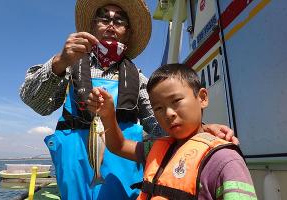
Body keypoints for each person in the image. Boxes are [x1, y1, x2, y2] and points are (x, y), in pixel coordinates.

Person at [20, 0, 237, 199]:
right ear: (93, 27)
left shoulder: (140, 79)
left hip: (123, 168)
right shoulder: (68, 66)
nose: (111, 24)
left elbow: (160, 126)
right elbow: (33, 100)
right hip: (73, 168)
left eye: (119, 20)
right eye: (104, 19)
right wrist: (59, 61)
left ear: (127, 33)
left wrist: (201, 130)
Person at [87, 63, 256, 200]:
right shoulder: (155, 149)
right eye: (158, 108)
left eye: (176, 101)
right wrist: (108, 114)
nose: (168, 113)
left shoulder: (225, 160)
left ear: (203, 98)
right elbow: (119, 145)